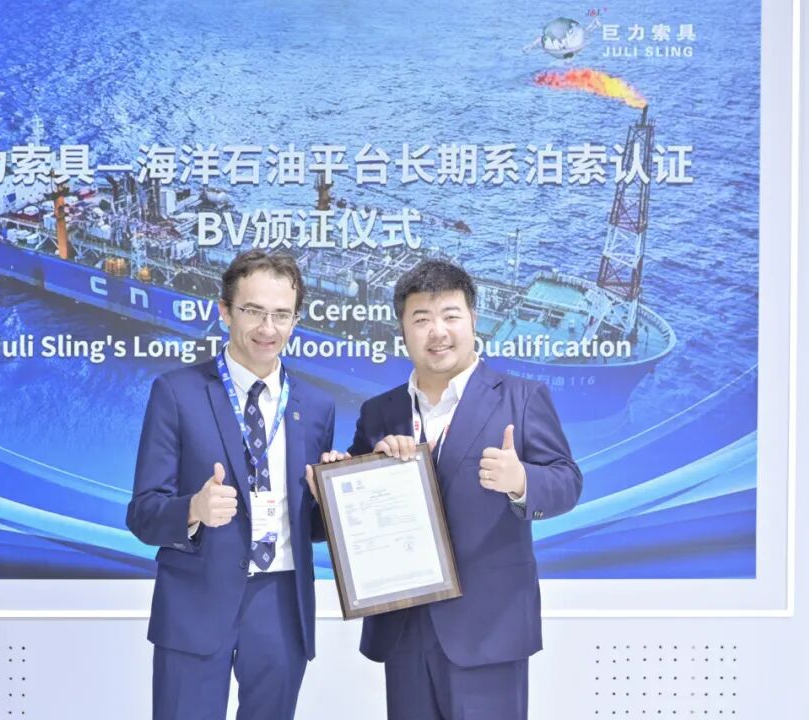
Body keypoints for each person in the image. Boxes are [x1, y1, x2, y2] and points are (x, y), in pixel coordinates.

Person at [347, 259, 583, 720]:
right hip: (405, 627)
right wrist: (338, 478)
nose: (438, 332)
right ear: (402, 330)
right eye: (421, 319)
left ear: (474, 320)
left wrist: (522, 481)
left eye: (451, 316)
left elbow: (568, 481)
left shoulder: (521, 397)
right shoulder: (379, 412)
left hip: (489, 628)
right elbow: (351, 508)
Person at [126, 249, 340, 720]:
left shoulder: (316, 407)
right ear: (225, 311)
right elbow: (142, 514)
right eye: (253, 311)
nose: (268, 328)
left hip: (281, 605)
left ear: (296, 320)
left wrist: (330, 502)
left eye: (281, 315)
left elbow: (310, 527)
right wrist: (193, 509)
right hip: (196, 603)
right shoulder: (176, 393)